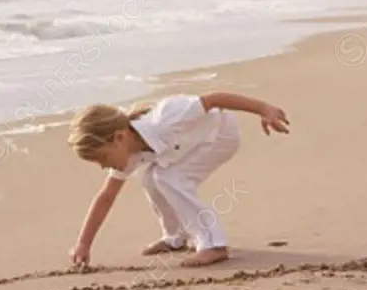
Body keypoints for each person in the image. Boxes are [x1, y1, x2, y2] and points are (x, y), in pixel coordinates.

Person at [66, 91, 290, 268]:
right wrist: (83, 244)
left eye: (102, 158)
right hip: (191, 146)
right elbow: (106, 197)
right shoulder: (129, 152)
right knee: (151, 179)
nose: (103, 166)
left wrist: (264, 109)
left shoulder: (166, 120)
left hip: (221, 135)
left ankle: (213, 244)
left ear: (119, 138)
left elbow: (214, 99)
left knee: (167, 177)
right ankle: (175, 237)